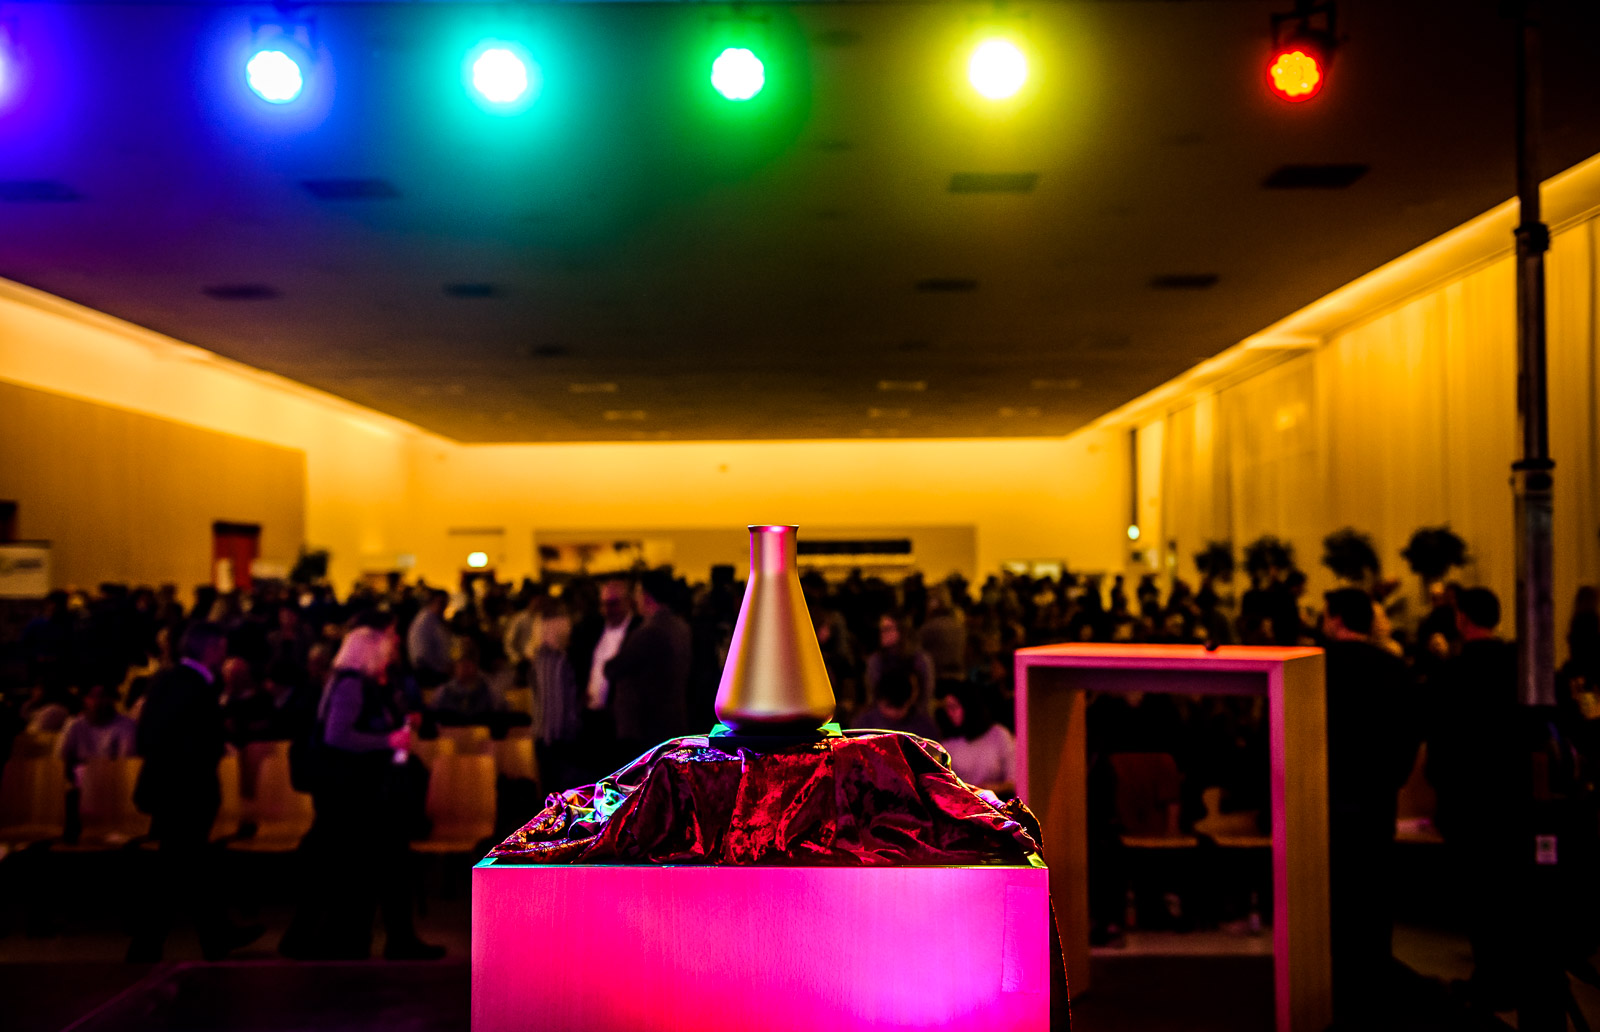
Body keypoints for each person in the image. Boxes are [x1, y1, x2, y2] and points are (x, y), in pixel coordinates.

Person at [280, 624, 443, 961]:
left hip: (358, 790)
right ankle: (389, 939)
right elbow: (338, 736)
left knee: (370, 864)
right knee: (382, 862)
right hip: (358, 790)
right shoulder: (352, 684)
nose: (389, 655)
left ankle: (373, 938)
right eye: (384, 649)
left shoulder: (354, 683)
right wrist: (388, 740)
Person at [128, 622, 263, 962]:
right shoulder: (196, 685)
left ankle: (211, 935)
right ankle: (153, 943)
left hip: (166, 786)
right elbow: (201, 740)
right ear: (211, 648)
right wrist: (212, 749)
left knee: (185, 863)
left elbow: (147, 736)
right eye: (222, 647)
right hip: (188, 790)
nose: (224, 654)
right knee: (179, 865)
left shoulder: (164, 680)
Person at [1320, 588, 1420, 1024]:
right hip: (1378, 795)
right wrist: (1393, 778)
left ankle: (1331, 987)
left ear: (1336, 618)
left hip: (1325, 795)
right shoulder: (1394, 668)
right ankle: (1375, 984)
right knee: (1375, 892)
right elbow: (1411, 730)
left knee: (1332, 894)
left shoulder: (1316, 667)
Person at [1425, 587, 1526, 1012]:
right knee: (1513, 890)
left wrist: (1439, 785)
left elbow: (1439, 737)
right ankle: (1519, 974)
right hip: (1515, 794)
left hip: (1467, 799)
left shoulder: (1453, 672)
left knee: (1481, 897)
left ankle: (1492, 979)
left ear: (1462, 619)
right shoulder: (1520, 665)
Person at [604, 570, 692, 759]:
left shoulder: (649, 632)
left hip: (647, 724)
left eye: (637, 593)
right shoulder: (681, 627)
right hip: (673, 720)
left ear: (646, 596)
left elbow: (613, 668)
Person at [571, 578, 637, 775]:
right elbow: (582, 664)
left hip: (620, 721)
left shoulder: (637, 631)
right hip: (592, 717)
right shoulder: (591, 630)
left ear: (628, 602)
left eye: (614, 603)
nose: (608, 610)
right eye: (604, 604)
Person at [531, 603, 583, 791]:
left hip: (543, 735)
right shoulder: (559, 660)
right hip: (559, 737)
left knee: (550, 793)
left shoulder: (539, 659)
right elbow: (561, 703)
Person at [935, 681, 1015, 795]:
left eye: (953, 707)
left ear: (969, 706)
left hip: (996, 801)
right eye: (946, 708)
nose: (949, 713)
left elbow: (1013, 782)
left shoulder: (999, 735)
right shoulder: (948, 742)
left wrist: (988, 789)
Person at [57, 681, 136, 773]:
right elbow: (60, 759)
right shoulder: (73, 724)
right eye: (91, 696)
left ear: (112, 698)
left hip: (113, 777)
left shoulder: (126, 725)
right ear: (84, 699)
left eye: (102, 696)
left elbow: (126, 762)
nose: (97, 702)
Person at [864, 612, 936, 711]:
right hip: (882, 715)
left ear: (902, 631)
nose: (882, 633)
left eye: (887, 629)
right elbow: (873, 698)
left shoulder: (920, 660)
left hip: (914, 715)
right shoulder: (876, 660)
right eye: (881, 629)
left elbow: (925, 698)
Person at [849, 668, 939, 739]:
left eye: (899, 707)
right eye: (889, 706)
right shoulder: (863, 725)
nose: (894, 713)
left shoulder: (924, 727)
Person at [431, 636, 497, 725]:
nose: (465, 667)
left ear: (476, 665)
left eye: (469, 662)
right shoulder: (444, 692)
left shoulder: (488, 691)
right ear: (455, 666)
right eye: (461, 662)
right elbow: (436, 722)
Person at [406, 590, 452, 688]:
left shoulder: (433, 619)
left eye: (446, 603)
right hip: (429, 674)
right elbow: (423, 655)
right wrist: (442, 668)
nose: (444, 606)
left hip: (433, 670)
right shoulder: (425, 621)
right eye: (442, 602)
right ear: (432, 602)